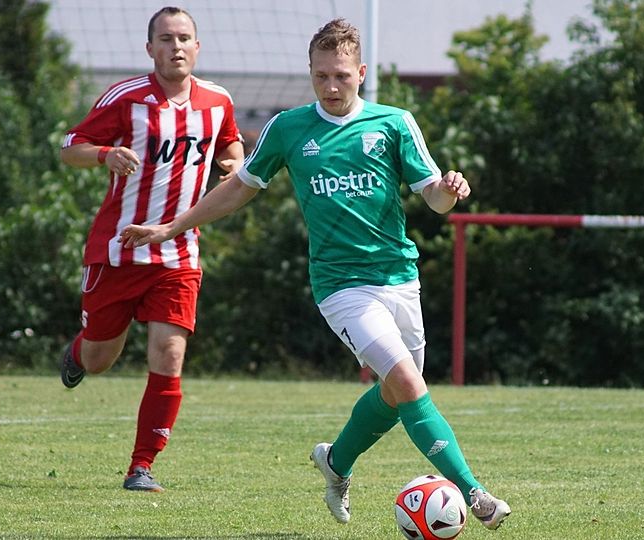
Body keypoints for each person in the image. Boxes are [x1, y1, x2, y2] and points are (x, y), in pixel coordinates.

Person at [119, 18, 511, 529]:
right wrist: (173, 226)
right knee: (407, 383)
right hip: (341, 286)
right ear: (310, 71)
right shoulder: (289, 128)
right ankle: (474, 493)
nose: (330, 86)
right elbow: (238, 188)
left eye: (341, 76)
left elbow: (434, 199)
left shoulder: (395, 123)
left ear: (361, 74)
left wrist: (450, 189)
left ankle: (336, 461)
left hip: (400, 278)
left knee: (396, 396)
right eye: (321, 75)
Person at [58, 6, 244, 492]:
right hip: (118, 251)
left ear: (197, 47)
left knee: (169, 352)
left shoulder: (218, 101)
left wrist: (232, 164)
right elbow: (70, 147)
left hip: (178, 253)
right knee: (100, 358)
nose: (175, 47)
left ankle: (141, 466)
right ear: (150, 49)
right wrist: (105, 154)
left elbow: (231, 147)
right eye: (166, 39)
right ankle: (78, 353)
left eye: (183, 38)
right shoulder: (126, 98)